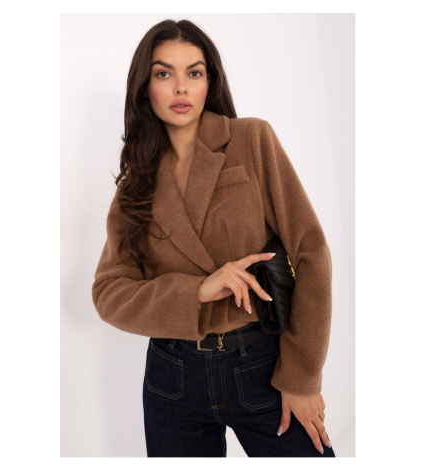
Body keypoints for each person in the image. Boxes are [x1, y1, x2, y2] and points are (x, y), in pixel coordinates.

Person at [91, 18, 335, 458]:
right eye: (164, 73)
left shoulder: (250, 139)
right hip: (172, 378)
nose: (180, 87)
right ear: (145, 88)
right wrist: (196, 292)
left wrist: (301, 377)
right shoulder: (134, 186)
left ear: (210, 82)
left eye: (194, 72)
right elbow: (109, 293)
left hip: (263, 365)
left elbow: (311, 251)